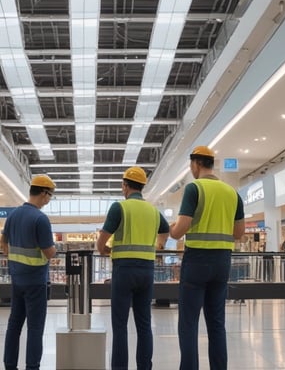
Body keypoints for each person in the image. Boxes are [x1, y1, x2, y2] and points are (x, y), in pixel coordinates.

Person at [169, 146, 245, 370]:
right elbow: (239, 233)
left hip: (197, 261)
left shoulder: (194, 188)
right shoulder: (232, 193)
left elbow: (181, 228)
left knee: (189, 324)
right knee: (216, 323)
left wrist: (171, 231)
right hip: (222, 262)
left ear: (196, 164)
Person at [96, 166, 169, 370]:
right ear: (142, 187)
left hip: (124, 270)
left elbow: (101, 242)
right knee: (144, 324)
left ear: (125, 186)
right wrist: (158, 246)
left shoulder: (120, 208)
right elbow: (166, 231)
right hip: (146, 270)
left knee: (120, 326)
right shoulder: (154, 211)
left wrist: (105, 250)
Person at [0, 174, 57, 370]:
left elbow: (3, 244)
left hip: (17, 279)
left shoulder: (13, 215)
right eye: (50, 195)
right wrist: (55, 248)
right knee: (35, 328)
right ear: (43, 193)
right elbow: (49, 253)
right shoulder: (40, 219)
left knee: (14, 325)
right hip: (36, 281)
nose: (49, 200)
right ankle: (32, 367)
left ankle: (9, 365)